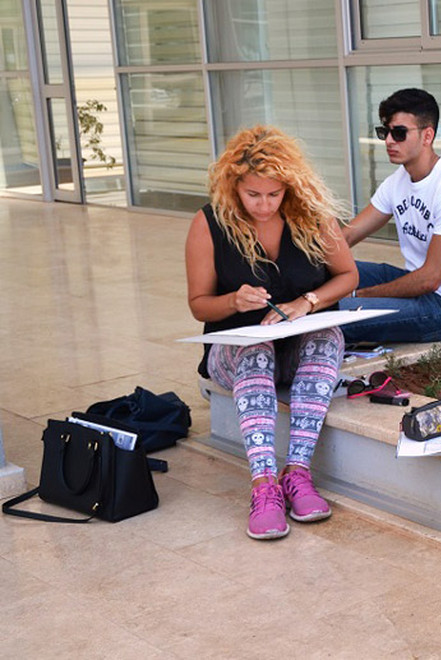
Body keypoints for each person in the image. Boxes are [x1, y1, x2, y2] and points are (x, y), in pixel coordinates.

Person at [185, 126, 357, 540]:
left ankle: (297, 474)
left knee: (328, 337)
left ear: (289, 188)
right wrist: (233, 302)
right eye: (253, 195)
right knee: (257, 349)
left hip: (298, 349)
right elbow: (198, 305)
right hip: (237, 353)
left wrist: (308, 302)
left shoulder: (313, 215)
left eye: (274, 195)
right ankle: (264, 486)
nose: (264, 205)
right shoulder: (209, 223)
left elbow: (348, 275)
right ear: (233, 187)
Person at [338, 88, 441, 343]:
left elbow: (430, 279)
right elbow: (347, 236)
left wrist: (357, 295)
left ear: (427, 135)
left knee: (335, 313)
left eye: (399, 133)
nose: (389, 140)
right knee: (326, 272)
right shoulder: (397, 182)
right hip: (416, 287)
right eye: (384, 132)